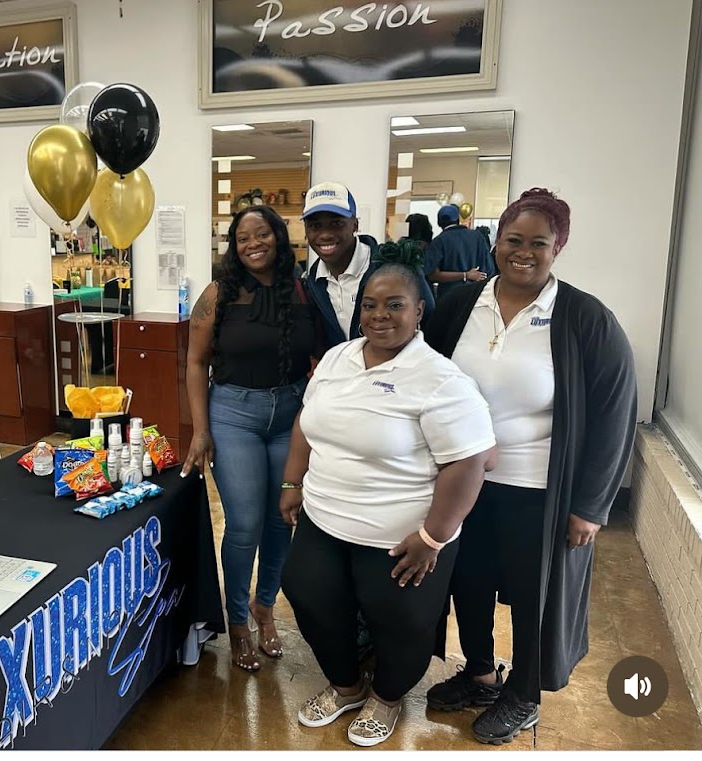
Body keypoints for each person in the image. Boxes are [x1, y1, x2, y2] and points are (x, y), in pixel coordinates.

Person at [423, 188, 637, 744]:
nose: (524, 252)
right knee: (468, 582)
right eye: (513, 240)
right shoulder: (461, 306)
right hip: (465, 483)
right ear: (496, 243)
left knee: (532, 594)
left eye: (538, 243)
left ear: (557, 247)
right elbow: (426, 378)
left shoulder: (584, 317)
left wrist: (592, 506)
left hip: (540, 488)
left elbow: (616, 412)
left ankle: (523, 693)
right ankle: (479, 674)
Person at [280, 263, 496, 747]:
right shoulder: (337, 359)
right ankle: (347, 687)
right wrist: (292, 482)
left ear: (418, 311)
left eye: (395, 305)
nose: (380, 315)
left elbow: (471, 462)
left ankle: (387, 697)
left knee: (401, 622)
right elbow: (305, 422)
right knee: (309, 596)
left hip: (402, 537)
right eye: (370, 305)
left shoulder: (440, 378)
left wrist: (432, 537)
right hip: (324, 519)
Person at [182, 205, 317, 672]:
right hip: (233, 415)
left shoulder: (302, 289)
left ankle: (265, 607)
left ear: (279, 237)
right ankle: (237, 620)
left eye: (262, 234)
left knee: (282, 519)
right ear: (233, 246)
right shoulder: (217, 294)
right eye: (243, 238)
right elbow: (195, 363)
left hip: (290, 416)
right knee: (243, 524)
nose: (253, 244)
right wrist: (200, 429)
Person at [301, 182, 435, 352]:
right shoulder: (313, 281)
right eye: (315, 226)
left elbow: (429, 317)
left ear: (355, 225)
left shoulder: (393, 266)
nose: (325, 234)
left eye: (336, 224)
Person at [424, 204, 496, 299]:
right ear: (458, 219)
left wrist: (464, 275)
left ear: (439, 223)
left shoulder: (438, 241)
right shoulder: (477, 237)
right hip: (475, 295)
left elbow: (433, 275)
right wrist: (468, 276)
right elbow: (489, 270)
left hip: (448, 297)